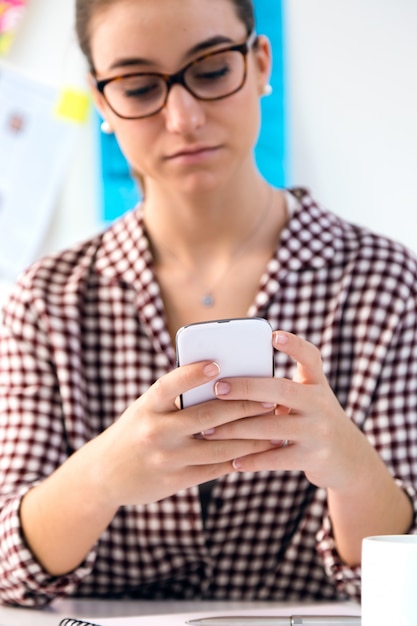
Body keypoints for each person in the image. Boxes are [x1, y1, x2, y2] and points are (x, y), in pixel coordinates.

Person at [0, 0, 417, 609]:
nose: (184, 116)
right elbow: (9, 573)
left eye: (213, 70)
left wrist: (350, 464)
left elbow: (400, 585)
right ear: (101, 102)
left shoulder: (386, 282)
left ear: (259, 62)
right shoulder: (46, 301)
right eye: (140, 87)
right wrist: (102, 474)